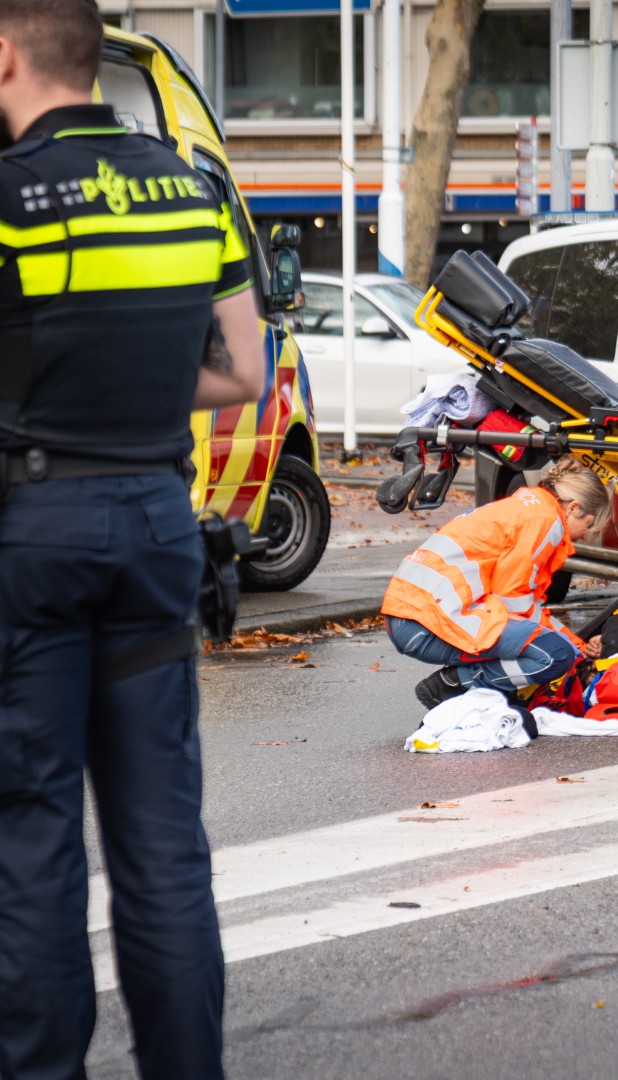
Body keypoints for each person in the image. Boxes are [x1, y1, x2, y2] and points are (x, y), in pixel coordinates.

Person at [0, 2, 267, 1075]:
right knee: (163, 846)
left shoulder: (10, 195)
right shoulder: (192, 186)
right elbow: (243, 373)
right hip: (158, 519)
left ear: (6, 55)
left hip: (34, 527)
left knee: (32, 840)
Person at [383, 458, 610, 710]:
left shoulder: (529, 507)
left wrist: (577, 646)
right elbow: (512, 603)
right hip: (424, 623)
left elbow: (527, 605)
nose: (585, 536)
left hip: (411, 615)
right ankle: (453, 685)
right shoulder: (545, 521)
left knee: (549, 646)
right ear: (573, 508)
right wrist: (572, 652)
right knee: (554, 656)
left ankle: (478, 688)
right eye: (589, 525)